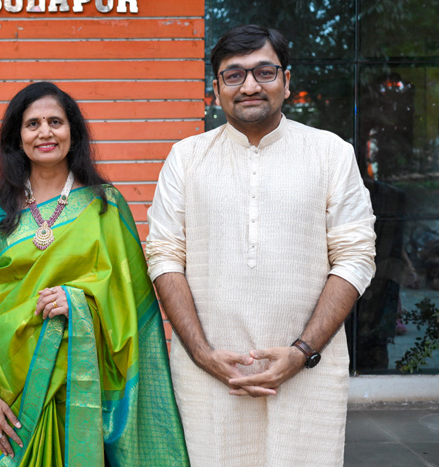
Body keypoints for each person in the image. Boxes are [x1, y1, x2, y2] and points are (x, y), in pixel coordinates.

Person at [146, 25, 376, 466]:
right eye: (234, 75)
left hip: (310, 375)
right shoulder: (186, 158)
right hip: (209, 378)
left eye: (264, 72)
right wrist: (202, 355)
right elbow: (163, 255)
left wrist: (302, 352)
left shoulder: (330, 153)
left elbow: (355, 256)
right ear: (216, 89)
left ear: (286, 81)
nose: (249, 85)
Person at [0, 81, 189, 466]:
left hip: (89, 383)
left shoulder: (105, 204)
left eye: (56, 122)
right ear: (17, 137)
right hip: (11, 384)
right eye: (32, 124)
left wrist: (80, 301)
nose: (45, 132)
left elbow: (133, 303)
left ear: (73, 131)